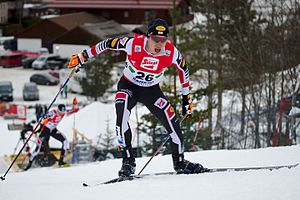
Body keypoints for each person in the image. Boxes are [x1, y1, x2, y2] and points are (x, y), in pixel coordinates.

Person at [67, 18, 205, 177]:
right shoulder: (133, 44)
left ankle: (180, 163)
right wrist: (84, 55)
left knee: (172, 121)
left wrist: (186, 99)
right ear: (148, 37)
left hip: (151, 91)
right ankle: (128, 162)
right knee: (122, 115)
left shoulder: (171, 52)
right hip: (128, 86)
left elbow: (183, 69)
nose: (159, 44)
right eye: (155, 39)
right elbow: (106, 44)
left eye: (163, 40)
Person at [24, 98, 78, 170]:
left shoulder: (63, 112)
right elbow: (42, 119)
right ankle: (29, 164)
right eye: (60, 112)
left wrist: (75, 104)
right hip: (44, 130)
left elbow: (74, 110)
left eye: (62, 112)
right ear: (58, 110)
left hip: (53, 130)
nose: (61, 114)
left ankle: (61, 161)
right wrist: (43, 118)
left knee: (65, 141)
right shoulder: (52, 113)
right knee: (37, 150)